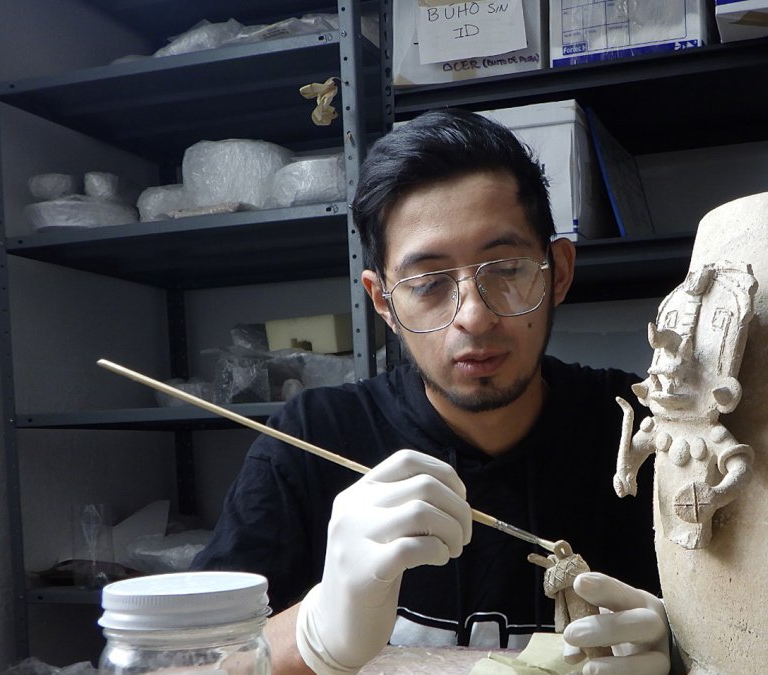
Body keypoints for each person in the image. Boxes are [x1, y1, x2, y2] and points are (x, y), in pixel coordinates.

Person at [192, 109, 671, 675]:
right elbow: (179, 663)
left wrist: (695, 652)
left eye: (507, 268)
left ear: (558, 271)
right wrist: (315, 633)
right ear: (384, 303)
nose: (472, 316)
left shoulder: (647, 436)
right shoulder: (310, 439)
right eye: (427, 283)